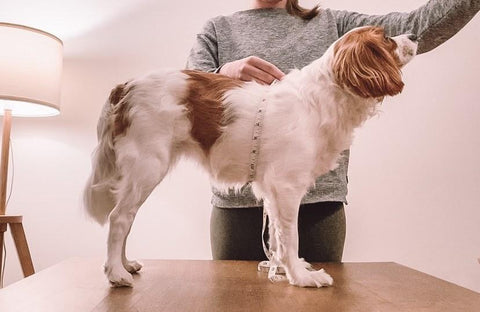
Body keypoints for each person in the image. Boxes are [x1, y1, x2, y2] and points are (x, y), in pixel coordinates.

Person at [186, 0, 480, 261]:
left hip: (319, 204)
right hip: (237, 206)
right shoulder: (217, 30)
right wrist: (222, 74)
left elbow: (417, 28)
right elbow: (185, 97)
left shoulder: (334, 24)